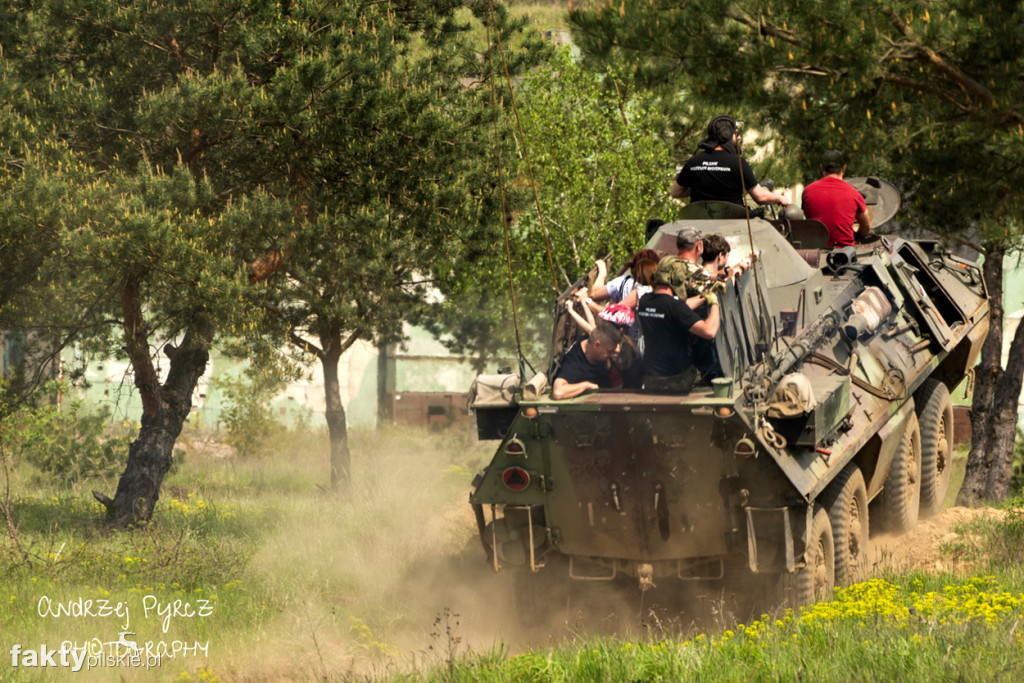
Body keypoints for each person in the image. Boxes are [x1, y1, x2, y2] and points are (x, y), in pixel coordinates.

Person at [670, 115, 790, 208]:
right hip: (733, 223)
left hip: (699, 223)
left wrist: (705, 185)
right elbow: (760, 197)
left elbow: (675, 192)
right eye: (736, 134)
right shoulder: (738, 163)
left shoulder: (693, 162)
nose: (739, 138)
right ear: (725, 135)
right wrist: (780, 198)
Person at [637, 260, 721, 393]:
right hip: (677, 379)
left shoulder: (644, 301)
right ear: (676, 278)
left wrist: (704, 296)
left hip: (651, 379)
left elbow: (678, 311)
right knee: (706, 373)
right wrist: (715, 303)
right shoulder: (674, 306)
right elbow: (709, 331)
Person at [801, 150, 873, 248]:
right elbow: (866, 226)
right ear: (844, 168)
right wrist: (858, 234)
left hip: (815, 251)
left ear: (822, 167)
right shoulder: (854, 194)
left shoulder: (807, 191)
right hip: (845, 253)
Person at [551, 320, 622, 399]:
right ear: (597, 345)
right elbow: (558, 392)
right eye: (609, 351)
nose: (611, 355)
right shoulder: (574, 361)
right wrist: (586, 385)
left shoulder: (597, 341)